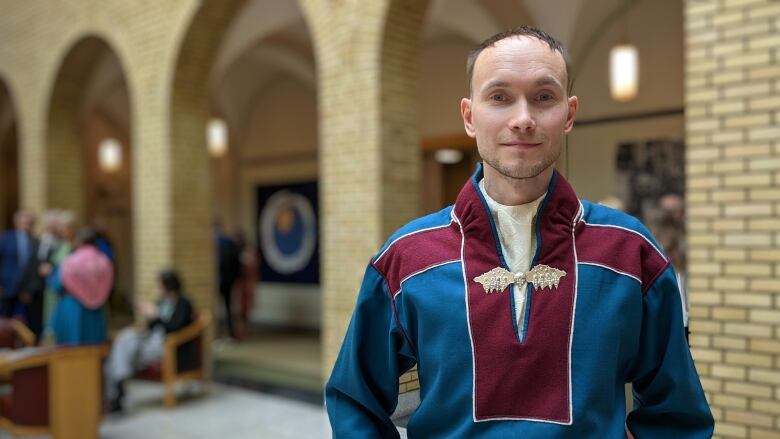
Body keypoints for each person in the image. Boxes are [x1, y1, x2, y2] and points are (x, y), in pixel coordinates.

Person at [325, 26, 713, 438]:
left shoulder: (630, 252)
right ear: (469, 116)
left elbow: (678, 415)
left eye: (544, 97)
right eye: (499, 97)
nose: (523, 118)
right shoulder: (408, 256)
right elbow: (355, 400)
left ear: (569, 114)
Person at [104, 269, 194, 412]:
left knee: (122, 353)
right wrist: (148, 315)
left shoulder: (183, 304)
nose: (158, 288)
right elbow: (151, 327)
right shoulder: (160, 302)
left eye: (160, 285)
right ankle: (118, 386)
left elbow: (175, 327)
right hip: (151, 338)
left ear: (168, 285)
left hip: (167, 342)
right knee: (126, 337)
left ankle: (118, 389)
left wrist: (157, 316)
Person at [49, 228, 113, 345]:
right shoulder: (104, 261)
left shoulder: (70, 261)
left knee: (71, 349)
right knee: (93, 349)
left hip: (71, 308)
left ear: (79, 241)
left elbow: (55, 285)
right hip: (96, 312)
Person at [0, 210, 39, 324]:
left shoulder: (36, 242)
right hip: (7, 288)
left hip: (26, 291)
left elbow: (35, 269)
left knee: (25, 323)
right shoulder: (5, 239)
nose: (28, 226)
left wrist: (28, 289)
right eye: (25, 223)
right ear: (17, 223)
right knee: (5, 320)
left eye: (30, 223)